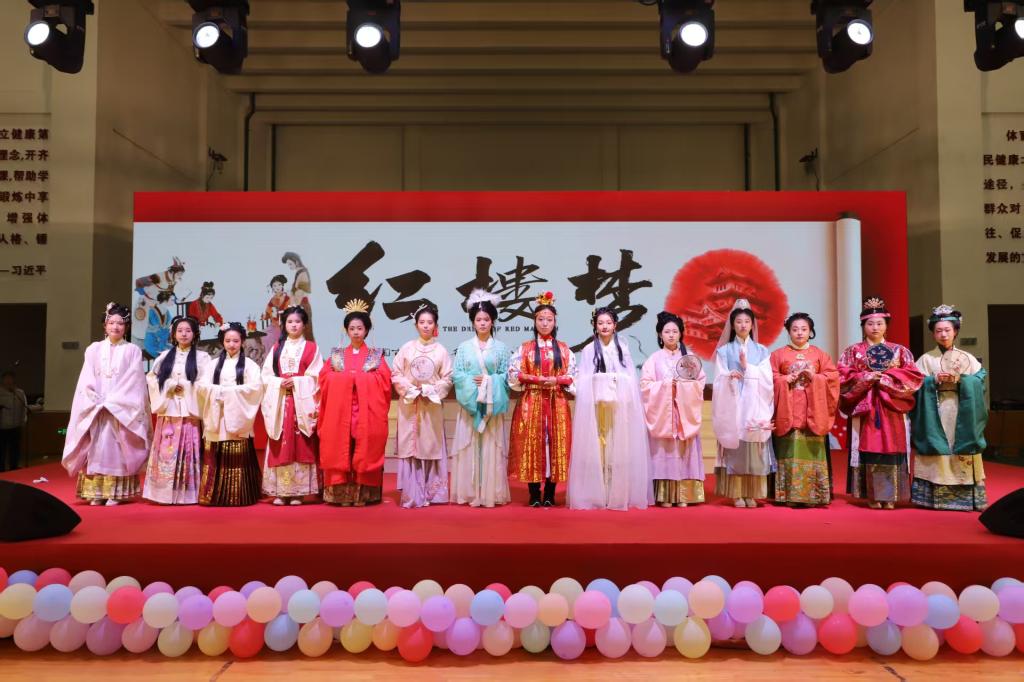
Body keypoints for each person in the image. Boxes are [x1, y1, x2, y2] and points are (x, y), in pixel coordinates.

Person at [838, 297, 924, 510]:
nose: (875, 327)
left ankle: (891, 495)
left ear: (886, 325)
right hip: (865, 408)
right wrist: (865, 378)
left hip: (891, 407)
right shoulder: (852, 352)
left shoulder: (900, 351)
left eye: (879, 323)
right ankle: (872, 495)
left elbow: (913, 377)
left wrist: (887, 378)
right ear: (863, 326)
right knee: (869, 448)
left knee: (891, 448)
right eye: (870, 323)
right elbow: (841, 377)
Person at [62, 302, 151, 505]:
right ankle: (97, 492)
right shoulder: (93, 349)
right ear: (105, 325)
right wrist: (93, 398)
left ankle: (115, 492)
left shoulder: (132, 350)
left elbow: (135, 380)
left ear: (126, 327)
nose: (115, 327)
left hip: (120, 409)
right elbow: (86, 377)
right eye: (111, 323)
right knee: (96, 447)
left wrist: (114, 402)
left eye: (120, 323)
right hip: (97, 408)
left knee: (118, 448)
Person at [568, 307, 651, 511]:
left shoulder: (622, 347)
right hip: (596, 407)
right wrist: (598, 380)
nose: (604, 326)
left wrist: (615, 380)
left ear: (615, 325)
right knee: (596, 448)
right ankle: (597, 492)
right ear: (595, 326)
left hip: (618, 407)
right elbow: (583, 378)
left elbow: (630, 377)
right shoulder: (589, 350)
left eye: (608, 323)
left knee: (618, 449)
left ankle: (616, 491)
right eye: (600, 323)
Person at [909, 305, 989, 511]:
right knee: (937, 444)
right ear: (933, 334)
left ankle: (967, 497)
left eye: (947, 330)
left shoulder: (968, 358)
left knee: (961, 444)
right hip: (935, 410)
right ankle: (933, 497)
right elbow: (914, 384)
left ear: (955, 331)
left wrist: (962, 380)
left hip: (961, 409)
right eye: (938, 331)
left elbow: (980, 381)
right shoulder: (926, 359)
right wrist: (932, 380)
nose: (943, 334)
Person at [319, 301, 392, 506]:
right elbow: (324, 378)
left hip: (365, 411)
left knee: (364, 447)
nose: (356, 332)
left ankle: (363, 495)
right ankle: (341, 494)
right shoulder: (337, 355)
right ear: (346, 330)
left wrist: (356, 379)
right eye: (352, 328)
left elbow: (384, 381)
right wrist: (348, 379)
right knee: (340, 447)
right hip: (340, 410)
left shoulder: (375, 356)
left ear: (366, 330)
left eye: (360, 328)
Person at [508, 292, 577, 507]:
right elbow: (513, 374)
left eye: (549, 319)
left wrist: (557, 380)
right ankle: (534, 492)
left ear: (555, 322)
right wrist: (536, 379)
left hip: (557, 403)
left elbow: (574, 376)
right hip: (532, 401)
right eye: (540, 319)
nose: (545, 323)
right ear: (534, 321)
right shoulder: (525, 348)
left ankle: (550, 492)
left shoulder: (564, 349)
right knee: (532, 445)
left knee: (554, 445)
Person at [770, 313, 840, 507]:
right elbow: (770, 377)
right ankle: (788, 495)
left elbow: (833, 377)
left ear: (810, 332)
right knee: (789, 450)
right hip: (789, 410)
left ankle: (814, 495)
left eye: (804, 329)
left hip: (813, 411)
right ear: (788, 331)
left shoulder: (820, 354)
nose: (799, 333)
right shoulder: (778, 355)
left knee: (811, 451)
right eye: (795, 329)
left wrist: (815, 377)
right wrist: (784, 379)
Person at [712, 299, 775, 509]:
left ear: (752, 324)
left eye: (747, 321)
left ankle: (752, 493)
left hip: (754, 403)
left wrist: (749, 368)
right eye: (738, 321)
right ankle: (737, 493)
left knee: (753, 449)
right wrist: (729, 376)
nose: (743, 325)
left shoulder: (762, 351)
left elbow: (767, 379)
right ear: (732, 324)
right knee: (736, 448)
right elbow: (719, 377)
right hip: (734, 403)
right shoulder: (724, 351)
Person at [451, 290, 512, 508]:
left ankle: (490, 492)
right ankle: (470, 492)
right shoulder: (464, 347)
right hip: (471, 404)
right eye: (478, 320)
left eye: (486, 319)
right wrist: (472, 384)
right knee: (470, 445)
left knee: (490, 446)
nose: (483, 323)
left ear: (493, 321)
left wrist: (488, 381)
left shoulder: (501, 348)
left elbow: (506, 376)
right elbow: (457, 375)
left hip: (491, 406)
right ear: (473, 322)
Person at [640, 311, 707, 508]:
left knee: (684, 449)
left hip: (684, 413)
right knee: (664, 450)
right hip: (663, 414)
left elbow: (700, 383)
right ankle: (664, 495)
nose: (671, 335)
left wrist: (684, 386)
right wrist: (667, 385)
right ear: (660, 335)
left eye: (674, 331)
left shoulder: (689, 358)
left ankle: (684, 495)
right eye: (666, 332)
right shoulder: (653, 359)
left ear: (680, 334)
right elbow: (645, 385)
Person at [143, 316, 210, 504]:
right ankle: (163, 493)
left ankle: (188, 493)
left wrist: (186, 386)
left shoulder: (202, 358)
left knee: (188, 451)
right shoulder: (164, 356)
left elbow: (206, 384)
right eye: (180, 330)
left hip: (189, 412)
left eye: (188, 330)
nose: (184, 334)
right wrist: (171, 385)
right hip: (169, 410)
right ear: (173, 334)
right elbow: (152, 379)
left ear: (195, 334)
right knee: (165, 453)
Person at [392, 303, 453, 508]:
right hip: (410, 403)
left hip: (430, 405)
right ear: (416, 325)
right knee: (411, 446)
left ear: (435, 325)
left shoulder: (441, 351)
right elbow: (396, 373)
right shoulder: (406, 348)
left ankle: (432, 493)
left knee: (429, 445)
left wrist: (430, 390)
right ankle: (412, 493)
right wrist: (410, 389)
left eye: (430, 322)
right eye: (422, 322)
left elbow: (447, 378)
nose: (426, 326)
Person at [197, 322, 264, 506]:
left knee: (237, 453)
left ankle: (238, 495)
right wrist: (219, 392)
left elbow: (256, 388)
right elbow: (201, 386)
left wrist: (229, 393)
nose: (232, 344)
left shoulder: (250, 365)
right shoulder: (212, 365)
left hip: (237, 416)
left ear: (242, 341)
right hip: (217, 415)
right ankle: (213, 495)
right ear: (222, 342)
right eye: (228, 341)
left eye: (236, 341)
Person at [261, 306, 323, 505]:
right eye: (290, 322)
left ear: (304, 325)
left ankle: (299, 492)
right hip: (280, 403)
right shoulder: (276, 348)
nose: (294, 325)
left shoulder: (312, 348)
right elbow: (266, 376)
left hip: (301, 405)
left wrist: (296, 381)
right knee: (280, 443)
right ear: (284, 325)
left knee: (301, 443)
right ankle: (281, 491)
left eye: (297, 322)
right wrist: (279, 382)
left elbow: (317, 377)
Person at [0, 371, 29, 472]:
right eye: (6, 378)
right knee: (1, 451)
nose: (8, 381)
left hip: (16, 426)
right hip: (2, 427)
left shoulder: (19, 393)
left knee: (15, 449)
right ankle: (1, 470)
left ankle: (14, 468)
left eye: (10, 378)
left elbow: (24, 408)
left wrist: (23, 421)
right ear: (2, 380)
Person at [282, 252, 314, 341]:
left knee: (306, 333)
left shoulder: (303, 274)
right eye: (288, 264)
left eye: (290, 264)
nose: (289, 266)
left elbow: (299, 295)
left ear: (296, 261)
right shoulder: (300, 273)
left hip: (302, 306)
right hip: (301, 305)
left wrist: (290, 294)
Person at [262, 274, 290, 355]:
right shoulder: (273, 299)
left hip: (283, 325)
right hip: (274, 324)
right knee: (263, 336)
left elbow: (289, 311)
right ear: (272, 288)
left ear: (282, 285)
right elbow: (268, 311)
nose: (277, 287)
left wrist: (280, 312)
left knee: (270, 338)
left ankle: (275, 355)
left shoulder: (287, 298)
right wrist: (266, 316)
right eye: (274, 286)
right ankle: (268, 356)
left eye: (279, 285)